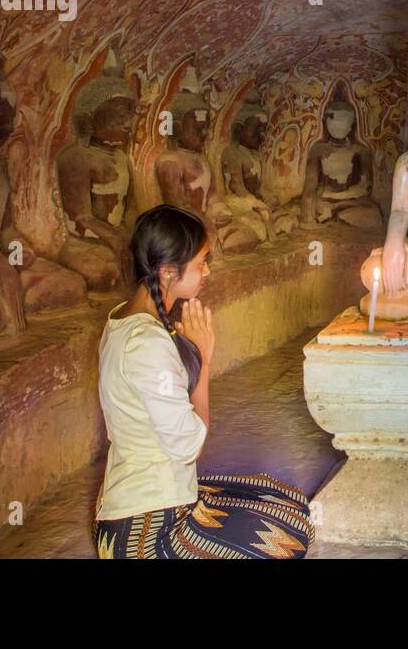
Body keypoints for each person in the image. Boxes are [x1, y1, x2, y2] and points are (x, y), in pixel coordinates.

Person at [93, 205, 313, 559]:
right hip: (145, 528)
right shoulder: (146, 344)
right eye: (200, 264)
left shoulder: (124, 318)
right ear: (167, 272)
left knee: (284, 500)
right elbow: (188, 447)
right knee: (290, 539)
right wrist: (204, 358)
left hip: (146, 502)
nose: (207, 270)